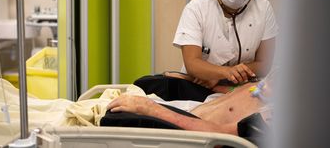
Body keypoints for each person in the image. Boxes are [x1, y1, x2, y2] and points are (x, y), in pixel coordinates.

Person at [106, 75, 273, 144]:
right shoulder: (278, 80)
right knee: (150, 83)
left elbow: (222, 135)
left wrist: (150, 108)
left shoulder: (277, 116)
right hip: (196, 108)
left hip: (194, 133)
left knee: (113, 116)